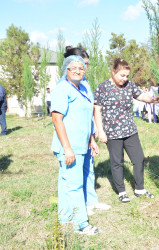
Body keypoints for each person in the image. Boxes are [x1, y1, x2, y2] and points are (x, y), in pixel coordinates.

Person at [94, 58, 159, 203]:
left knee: (139, 158)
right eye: (121, 75)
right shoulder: (102, 87)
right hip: (112, 131)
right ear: (113, 72)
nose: (124, 79)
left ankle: (139, 188)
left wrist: (152, 99)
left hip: (130, 129)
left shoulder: (129, 85)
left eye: (126, 76)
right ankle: (122, 191)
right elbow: (97, 110)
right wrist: (101, 131)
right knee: (117, 162)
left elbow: (140, 95)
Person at [51, 55, 100, 235]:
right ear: (66, 70)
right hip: (69, 146)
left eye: (81, 68)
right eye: (74, 68)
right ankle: (80, 224)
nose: (78, 71)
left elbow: (85, 119)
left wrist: (91, 140)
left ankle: (64, 217)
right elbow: (57, 119)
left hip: (82, 145)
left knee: (66, 182)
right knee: (74, 184)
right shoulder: (62, 89)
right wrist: (67, 148)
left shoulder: (82, 89)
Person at [63, 46, 110, 215]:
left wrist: (93, 132)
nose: (85, 68)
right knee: (76, 174)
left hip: (87, 134)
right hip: (74, 137)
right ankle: (79, 204)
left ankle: (91, 201)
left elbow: (90, 108)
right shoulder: (66, 85)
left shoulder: (85, 84)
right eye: (83, 63)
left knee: (89, 169)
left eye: (86, 65)